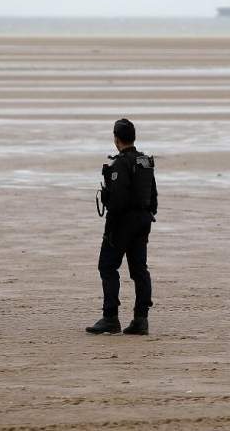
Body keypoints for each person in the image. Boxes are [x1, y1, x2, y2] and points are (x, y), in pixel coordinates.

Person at [86, 118, 158, 335]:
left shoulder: (120, 164)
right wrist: (147, 215)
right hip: (143, 221)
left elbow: (117, 202)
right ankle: (141, 319)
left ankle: (110, 318)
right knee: (139, 270)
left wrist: (107, 201)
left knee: (107, 267)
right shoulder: (145, 161)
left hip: (122, 223)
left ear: (116, 139)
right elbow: (153, 196)